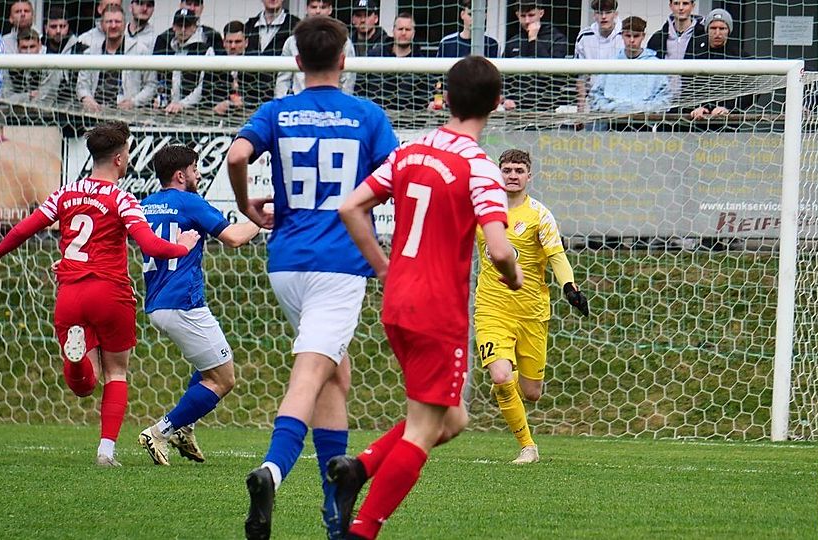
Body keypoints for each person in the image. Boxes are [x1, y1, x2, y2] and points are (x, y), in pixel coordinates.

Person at [330, 55, 523, 540]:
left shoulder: (410, 152)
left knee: (451, 418)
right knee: (423, 429)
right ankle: (362, 531)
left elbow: (351, 207)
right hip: (438, 310)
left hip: (398, 302)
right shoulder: (479, 167)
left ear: (446, 99)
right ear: (496, 104)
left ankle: (360, 467)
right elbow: (500, 249)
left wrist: (383, 267)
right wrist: (515, 276)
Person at [226, 15, 398, 540]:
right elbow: (396, 178)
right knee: (309, 373)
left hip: (286, 263)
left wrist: (246, 206)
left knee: (334, 375)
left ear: (297, 61)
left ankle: (334, 508)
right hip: (339, 264)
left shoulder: (276, 110)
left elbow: (237, 154)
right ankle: (272, 471)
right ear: (344, 60)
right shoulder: (366, 115)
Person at [0, 122, 200, 467]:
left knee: (83, 385)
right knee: (116, 374)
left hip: (71, 292)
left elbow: (25, 228)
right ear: (120, 159)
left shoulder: (65, 194)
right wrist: (182, 247)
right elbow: (151, 245)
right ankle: (106, 451)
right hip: (110, 293)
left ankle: (78, 359)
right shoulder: (122, 199)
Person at [137, 145, 260, 466]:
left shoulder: (145, 206)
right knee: (223, 379)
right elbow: (234, 237)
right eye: (195, 169)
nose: (199, 174)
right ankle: (161, 431)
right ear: (181, 175)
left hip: (158, 303)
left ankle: (185, 428)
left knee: (209, 367)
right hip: (184, 303)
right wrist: (263, 220)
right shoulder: (190, 202)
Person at [474, 149, 589, 465]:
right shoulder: (482, 211)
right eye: (507, 170)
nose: (512, 175)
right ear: (499, 173)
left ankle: (507, 389)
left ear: (529, 176)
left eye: (519, 170)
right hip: (491, 308)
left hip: (532, 312)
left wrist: (569, 286)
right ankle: (528, 447)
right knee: (501, 376)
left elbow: (556, 256)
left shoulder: (540, 215)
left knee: (532, 392)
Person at [76, 4, 157, 112]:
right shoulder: (90, 52)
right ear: (101, 25)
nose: (113, 26)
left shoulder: (141, 51)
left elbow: (151, 85)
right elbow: (82, 85)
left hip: (129, 115)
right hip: (95, 114)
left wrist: (133, 102)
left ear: (124, 24)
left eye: (117, 22)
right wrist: (87, 98)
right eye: (109, 22)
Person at [587, 17, 671, 116]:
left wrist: (642, 109)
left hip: (645, 122)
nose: (631, 40)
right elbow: (595, 95)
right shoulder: (611, 64)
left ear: (643, 36)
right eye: (628, 36)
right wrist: (611, 108)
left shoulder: (655, 65)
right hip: (611, 121)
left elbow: (665, 99)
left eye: (636, 36)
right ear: (622, 35)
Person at [275, 0, 357, 98]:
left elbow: (348, 79)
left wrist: (343, 103)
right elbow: (283, 79)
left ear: (330, 9)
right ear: (307, 9)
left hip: (334, 101)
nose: (318, 11)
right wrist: (280, 102)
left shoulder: (344, 41)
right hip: (300, 101)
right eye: (313, 7)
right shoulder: (292, 41)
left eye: (323, 7)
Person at [685, 9, 752, 122]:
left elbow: (752, 90)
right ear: (707, 29)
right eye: (713, 28)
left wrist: (729, 108)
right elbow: (686, 85)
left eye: (722, 28)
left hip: (729, 121)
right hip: (697, 119)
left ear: (728, 30)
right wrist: (695, 107)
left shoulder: (740, 56)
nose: (717, 33)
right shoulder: (694, 54)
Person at [503, 2, 569, 111]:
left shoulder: (557, 39)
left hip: (546, 110)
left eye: (531, 15)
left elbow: (553, 74)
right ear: (517, 15)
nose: (527, 21)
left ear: (541, 13)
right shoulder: (513, 42)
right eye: (523, 16)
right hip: (516, 111)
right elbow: (505, 78)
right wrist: (506, 98)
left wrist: (533, 39)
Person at [360, 13, 430, 111]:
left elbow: (424, 99)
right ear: (393, 31)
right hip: (375, 116)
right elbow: (360, 88)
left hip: (408, 118)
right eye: (400, 29)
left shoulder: (421, 63)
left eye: (407, 29)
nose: (403, 33)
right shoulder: (375, 55)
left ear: (413, 33)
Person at [152, 8, 214, 114]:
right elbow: (162, 82)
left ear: (194, 27)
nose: (183, 29)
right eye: (180, 25)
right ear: (173, 27)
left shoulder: (206, 51)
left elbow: (204, 86)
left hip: (196, 112)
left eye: (187, 25)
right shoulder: (168, 48)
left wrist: (182, 104)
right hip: (170, 111)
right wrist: (161, 99)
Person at [574, 0, 623, 111]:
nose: (603, 17)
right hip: (594, 102)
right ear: (594, 15)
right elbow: (581, 77)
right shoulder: (584, 36)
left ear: (615, 14)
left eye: (608, 12)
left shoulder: (626, 35)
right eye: (599, 13)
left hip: (621, 101)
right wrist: (580, 109)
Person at [2, 29, 63, 106]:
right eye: (24, 48)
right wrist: (29, 95)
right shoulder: (10, 65)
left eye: (32, 47)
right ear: (18, 48)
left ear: (40, 45)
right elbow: (6, 98)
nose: (28, 52)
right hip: (16, 111)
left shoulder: (51, 65)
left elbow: (46, 100)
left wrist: (20, 99)